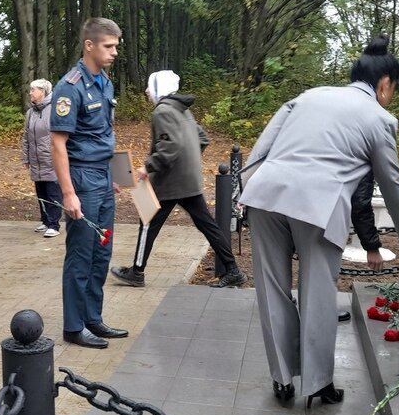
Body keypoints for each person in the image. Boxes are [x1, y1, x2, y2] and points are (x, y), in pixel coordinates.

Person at [239, 34, 399, 406]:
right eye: (394, 89)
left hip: (265, 195)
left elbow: (263, 147)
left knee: (271, 288)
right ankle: (317, 384)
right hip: (317, 204)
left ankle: (281, 379)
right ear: (385, 83)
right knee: (317, 293)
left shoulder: (308, 96)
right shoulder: (379, 117)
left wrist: (244, 193)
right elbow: (391, 181)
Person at [110, 70, 247, 289]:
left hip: (169, 182)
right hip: (187, 180)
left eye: (149, 86)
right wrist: (188, 162)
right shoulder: (181, 110)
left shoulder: (162, 111)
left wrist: (148, 166)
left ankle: (136, 272)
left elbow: (170, 146)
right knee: (207, 225)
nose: (146, 91)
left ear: (158, 88)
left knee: (148, 223)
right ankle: (233, 270)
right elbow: (201, 138)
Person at [50, 17, 127, 349]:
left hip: (103, 176)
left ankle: (92, 319)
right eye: (108, 47)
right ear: (90, 45)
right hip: (82, 178)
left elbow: (103, 134)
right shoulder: (70, 86)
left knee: (102, 250)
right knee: (81, 253)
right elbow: (57, 143)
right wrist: (69, 192)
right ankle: (73, 325)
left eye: (116, 47)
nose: (113, 53)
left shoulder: (105, 83)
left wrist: (115, 175)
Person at [22, 78, 62, 238]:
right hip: (36, 161)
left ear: (43, 92)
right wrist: (26, 158)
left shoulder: (54, 109)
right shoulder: (30, 113)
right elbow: (26, 137)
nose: (30, 93)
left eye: (33, 90)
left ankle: (54, 224)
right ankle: (45, 221)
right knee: (41, 193)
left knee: (53, 193)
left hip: (52, 160)